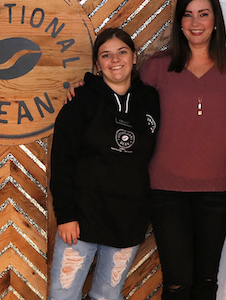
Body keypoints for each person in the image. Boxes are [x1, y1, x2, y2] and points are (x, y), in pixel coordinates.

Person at [139, 0, 226, 300]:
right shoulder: (157, 66)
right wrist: (84, 85)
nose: (195, 23)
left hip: (218, 192)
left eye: (203, 14)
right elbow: (122, 97)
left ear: (215, 20)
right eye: (188, 15)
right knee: (176, 281)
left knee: (205, 282)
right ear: (179, 22)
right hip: (166, 189)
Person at [49, 28, 160, 300]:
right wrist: (66, 215)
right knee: (63, 296)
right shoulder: (81, 101)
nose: (115, 60)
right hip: (80, 221)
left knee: (107, 296)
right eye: (106, 55)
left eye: (122, 52)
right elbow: (62, 161)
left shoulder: (151, 100)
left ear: (134, 57)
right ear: (97, 64)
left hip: (128, 220)